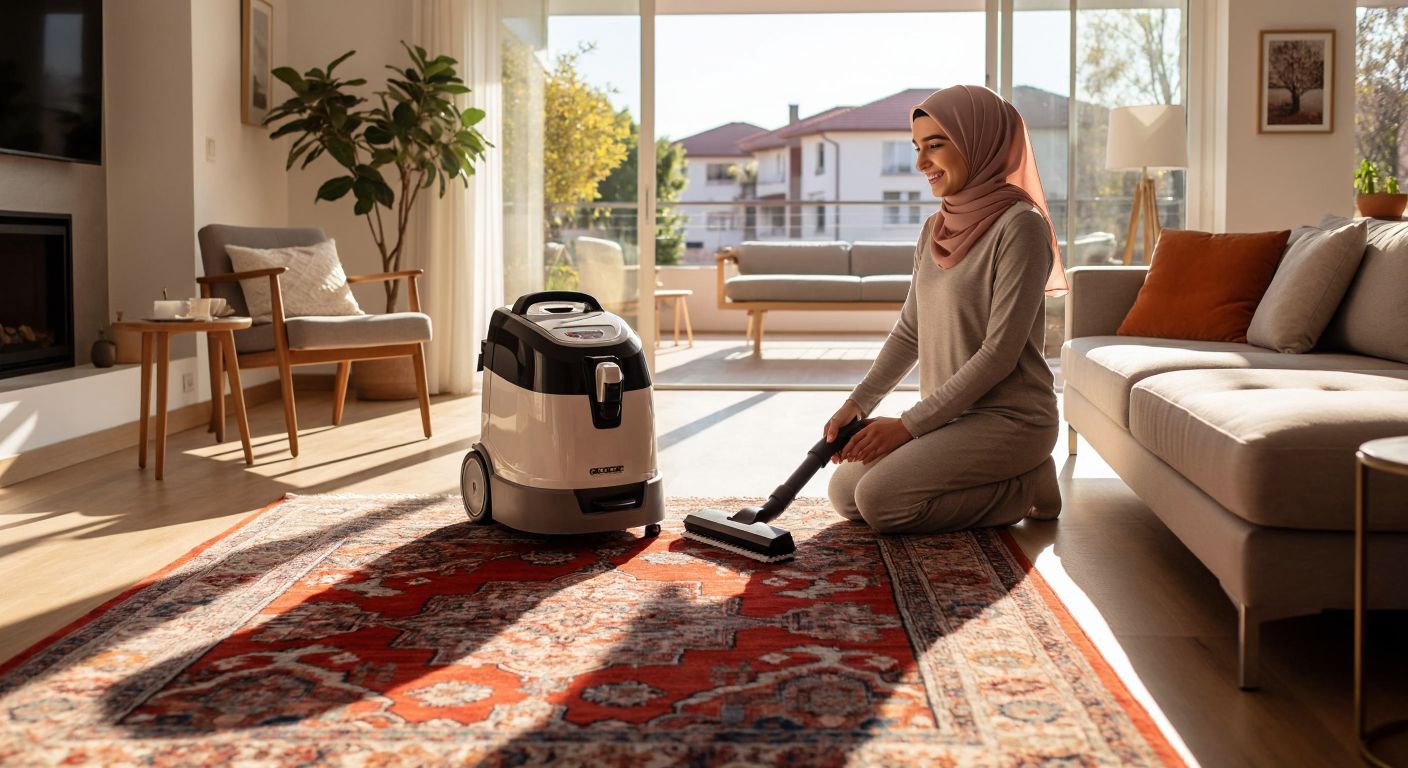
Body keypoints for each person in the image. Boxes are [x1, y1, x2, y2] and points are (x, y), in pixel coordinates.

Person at [825, 85, 1067, 534]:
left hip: (1012, 420)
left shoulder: (1021, 227)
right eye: (917, 147)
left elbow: (1000, 353)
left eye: (935, 145)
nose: (921, 164)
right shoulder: (935, 227)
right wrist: (857, 404)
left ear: (980, 143)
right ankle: (1000, 478)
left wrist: (908, 427)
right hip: (951, 418)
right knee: (845, 494)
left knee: (881, 504)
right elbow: (910, 332)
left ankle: (1027, 483)